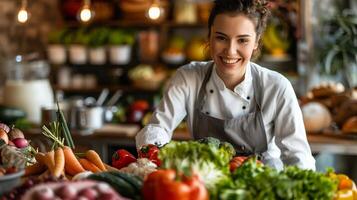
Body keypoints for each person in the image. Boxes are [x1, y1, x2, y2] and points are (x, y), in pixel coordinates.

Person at [136, 0, 315, 170]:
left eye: (242, 40)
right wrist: (153, 156)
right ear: (209, 36)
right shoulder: (189, 77)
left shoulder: (276, 87)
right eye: (221, 38)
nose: (230, 51)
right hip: (206, 182)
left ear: (256, 42)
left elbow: (298, 156)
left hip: (263, 184)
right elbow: (158, 128)